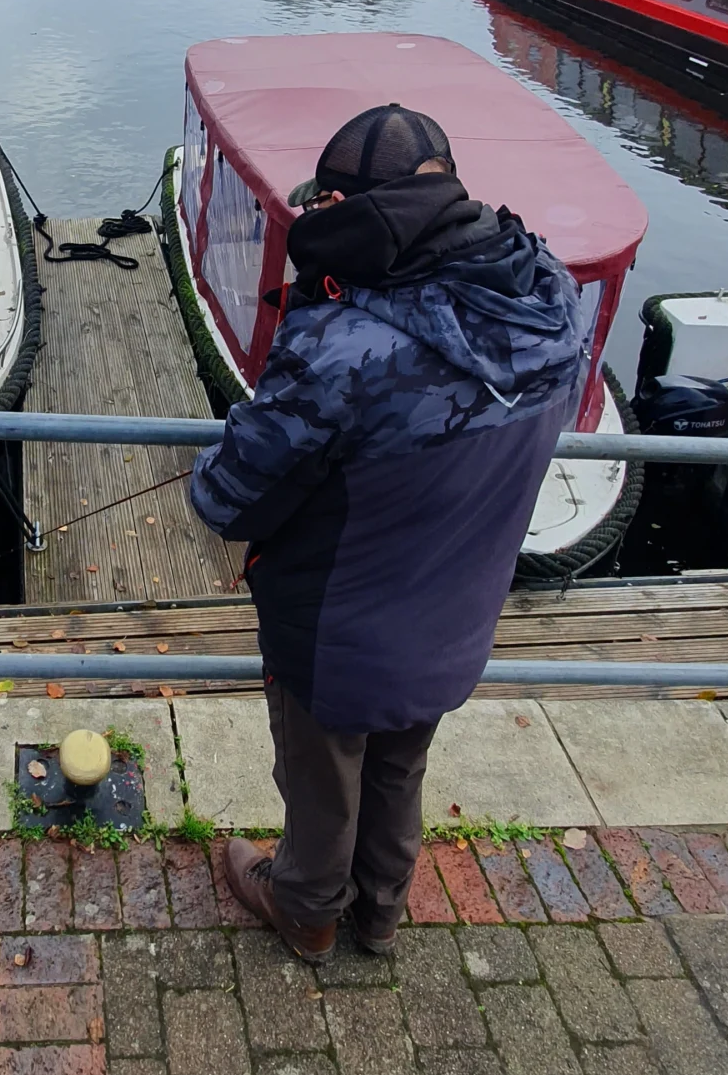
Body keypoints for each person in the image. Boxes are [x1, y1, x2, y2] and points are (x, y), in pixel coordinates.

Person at [189, 102, 589, 960]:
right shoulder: (549, 295)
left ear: (343, 211)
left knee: (322, 776)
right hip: (459, 611)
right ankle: (379, 912)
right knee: (399, 763)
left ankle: (305, 911)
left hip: (340, 628)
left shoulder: (344, 345)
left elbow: (228, 501)